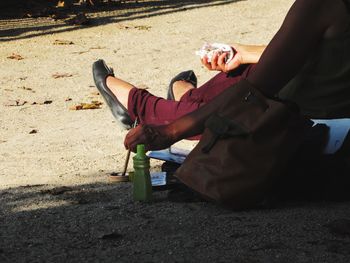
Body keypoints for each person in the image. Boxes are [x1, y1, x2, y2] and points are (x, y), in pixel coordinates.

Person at [93, 0, 350, 153]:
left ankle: (144, 106)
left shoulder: (322, 4)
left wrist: (171, 132)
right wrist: (245, 52)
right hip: (332, 111)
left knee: (239, 90)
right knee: (243, 67)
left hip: (310, 126)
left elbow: (254, 90)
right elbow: (318, 48)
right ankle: (184, 95)